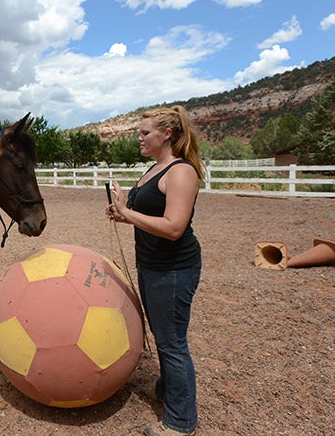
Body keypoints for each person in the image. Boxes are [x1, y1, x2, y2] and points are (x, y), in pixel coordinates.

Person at [105, 105, 204, 436]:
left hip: (173, 269)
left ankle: (181, 421)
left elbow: (174, 227)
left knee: (172, 341)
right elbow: (147, 214)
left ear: (167, 135)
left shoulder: (180, 172)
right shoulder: (154, 169)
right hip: (152, 266)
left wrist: (127, 214)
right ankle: (168, 391)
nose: (139, 137)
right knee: (165, 337)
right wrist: (122, 211)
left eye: (145, 132)